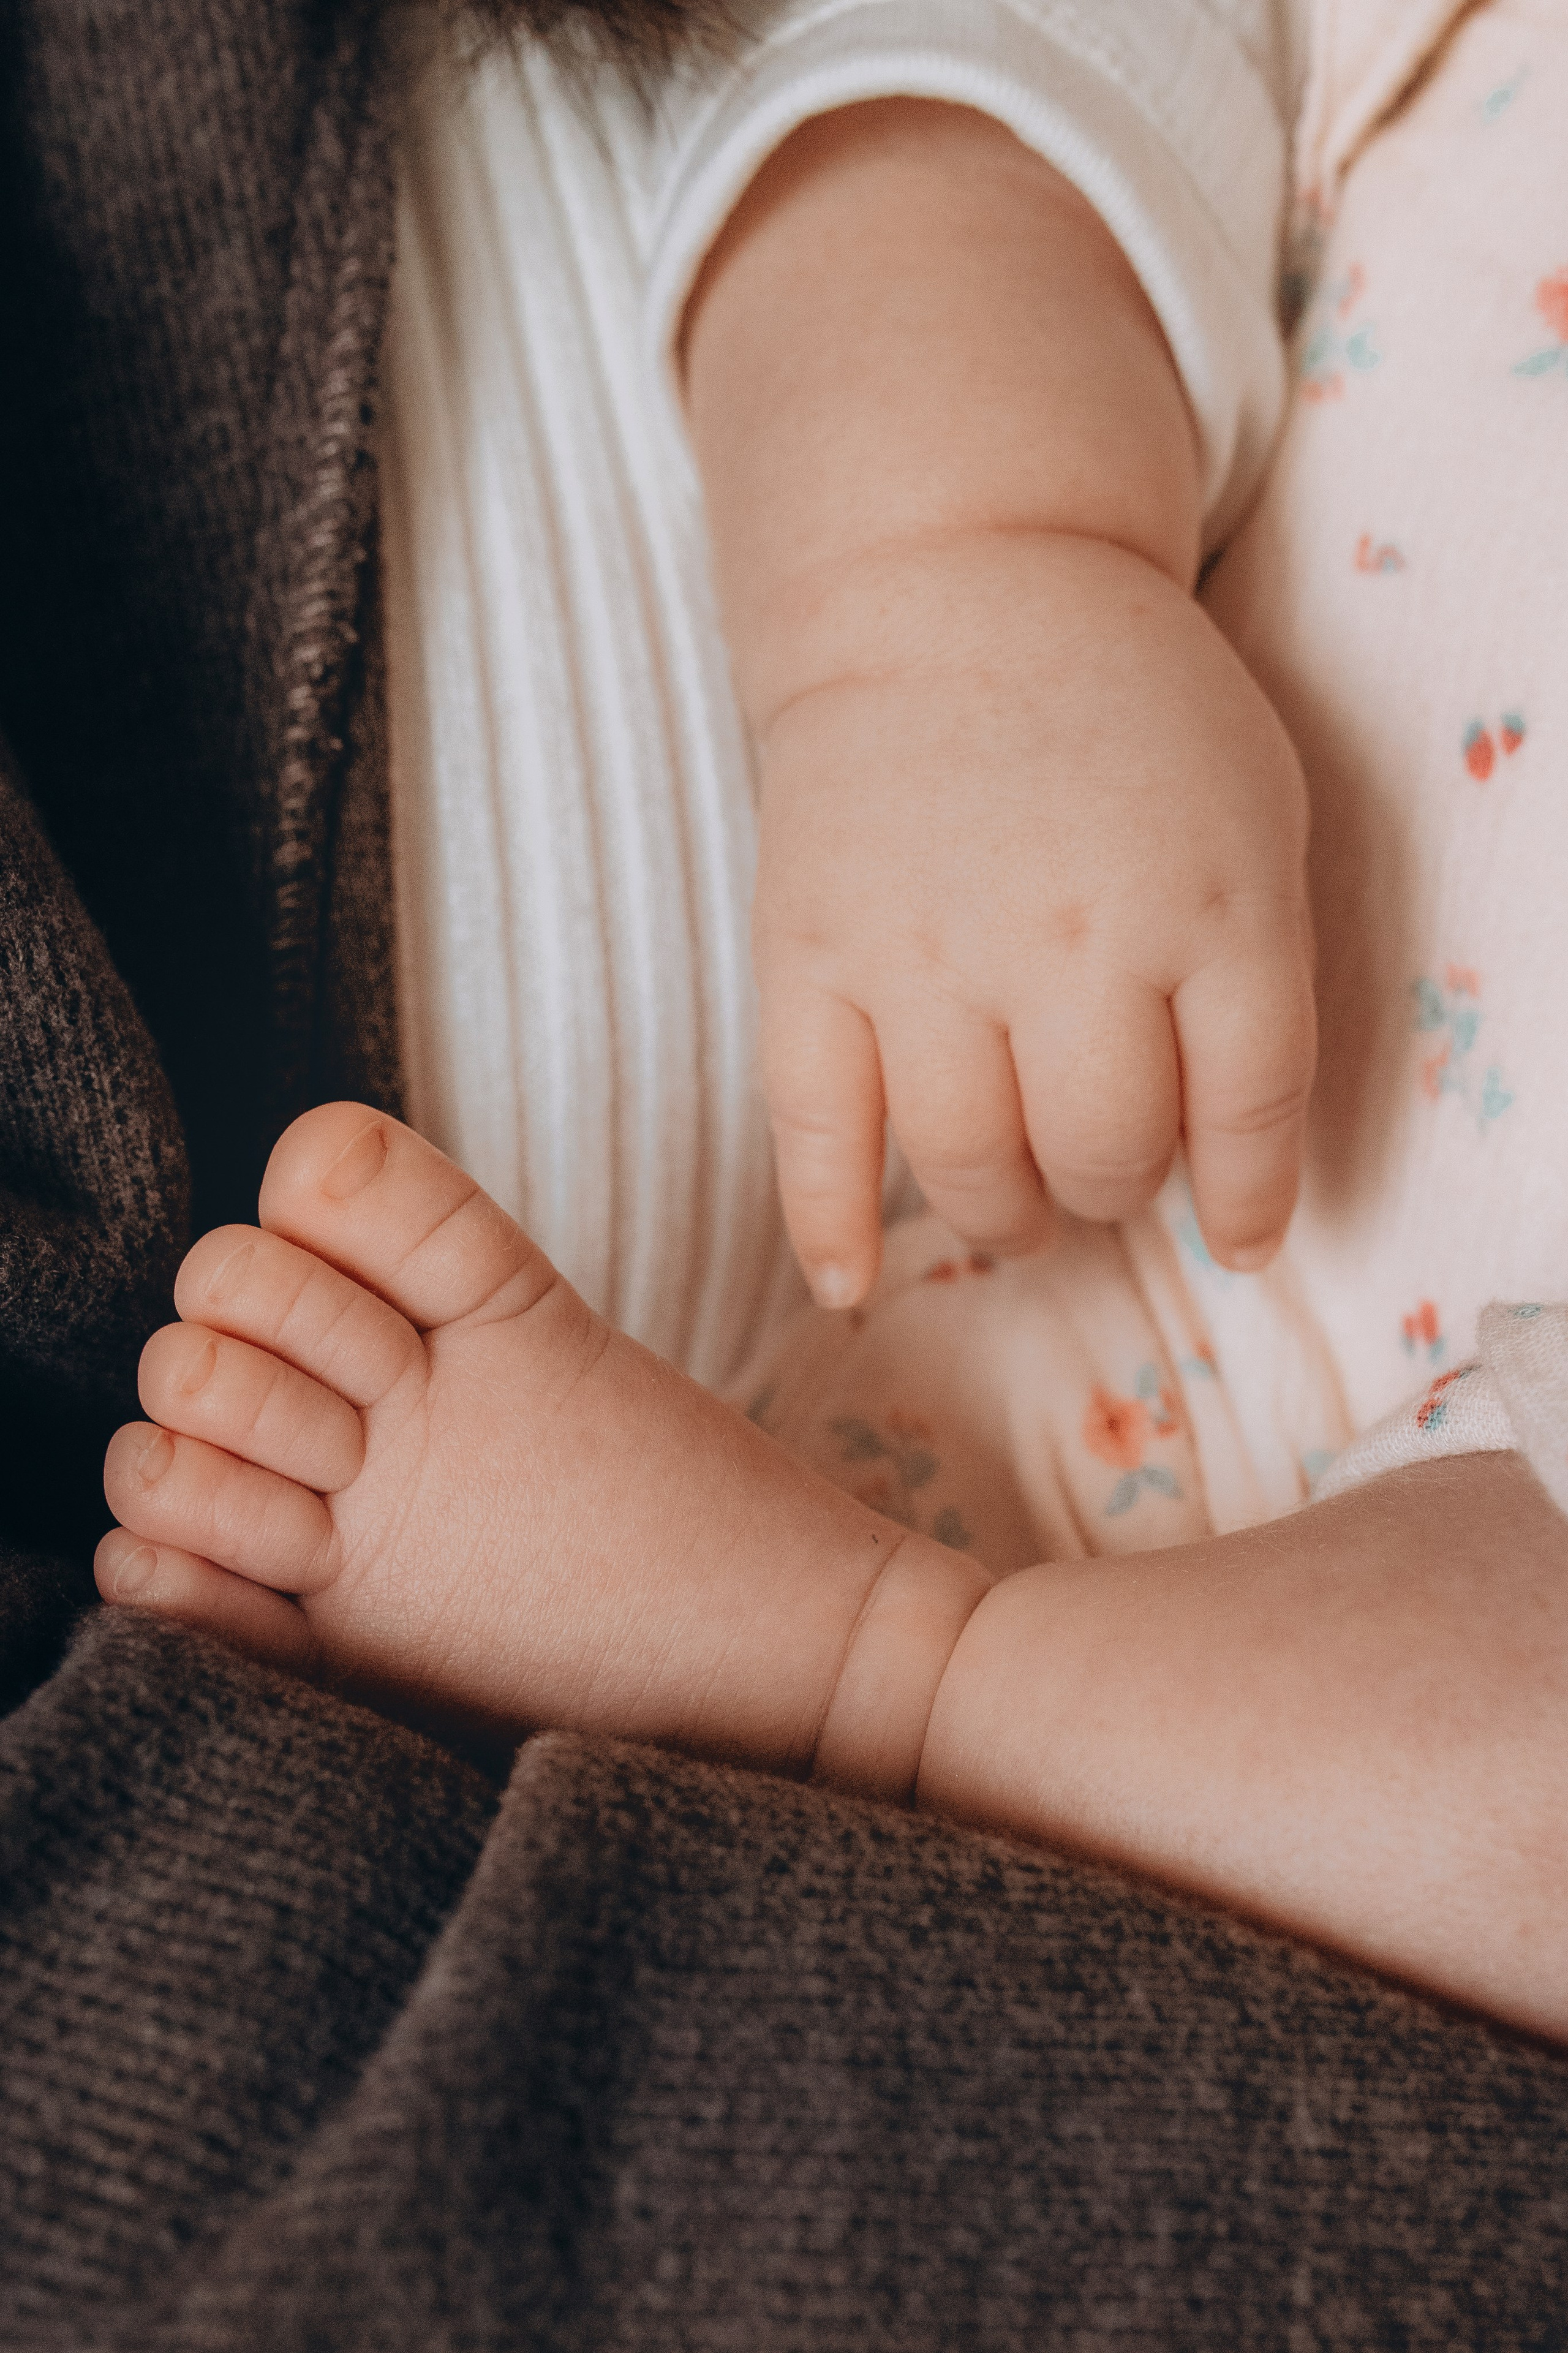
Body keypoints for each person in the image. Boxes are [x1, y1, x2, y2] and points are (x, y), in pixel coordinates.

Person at [5, 0, 1568, 2341]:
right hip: (1022, 599)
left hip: (1166, 1620)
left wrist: (882, 1669)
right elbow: (1018, 40)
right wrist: (954, 574)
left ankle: (860, 1665)